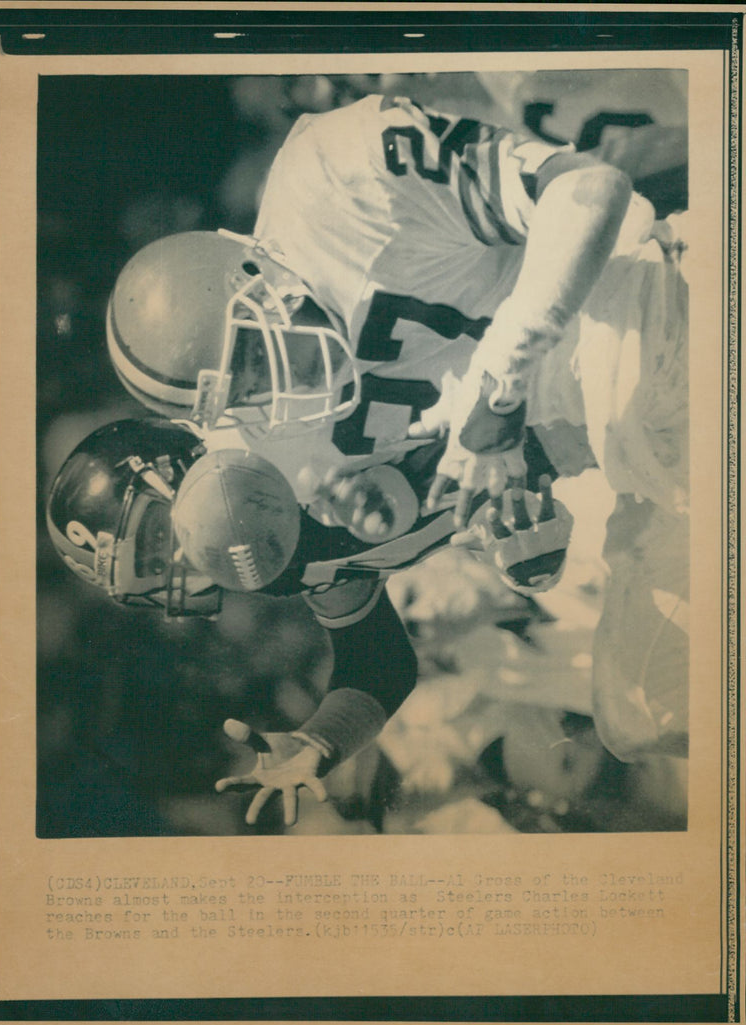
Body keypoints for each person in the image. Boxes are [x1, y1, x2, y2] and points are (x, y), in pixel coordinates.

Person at [102, 94, 689, 802]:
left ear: (247, 270)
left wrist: (495, 398)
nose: (273, 384)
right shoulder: (268, 495)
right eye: (240, 393)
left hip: (646, 320)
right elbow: (375, 658)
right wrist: (322, 741)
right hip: (614, 459)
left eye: (253, 353)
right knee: (645, 714)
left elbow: (590, 191)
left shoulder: (335, 179)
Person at [46, 416, 573, 827]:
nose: (181, 562)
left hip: (562, 421)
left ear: (168, 464)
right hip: (561, 489)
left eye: (159, 539)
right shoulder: (272, 564)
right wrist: (319, 740)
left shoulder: (272, 431)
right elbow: (376, 661)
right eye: (156, 569)